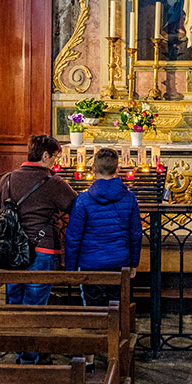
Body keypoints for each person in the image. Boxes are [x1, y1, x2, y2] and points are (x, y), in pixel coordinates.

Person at [0, 134, 77, 364]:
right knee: (35, 305)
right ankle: (30, 359)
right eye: (54, 157)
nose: (55, 162)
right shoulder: (54, 183)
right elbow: (76, 207)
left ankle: (22, 352)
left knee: (15, 303)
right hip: (42, 251)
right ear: (45, 155)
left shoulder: (7, 179)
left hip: (11, 252)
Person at [64, 147, 142, 369]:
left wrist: (71, 269)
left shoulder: (84, 200)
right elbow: (136, 234)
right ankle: (114, 358)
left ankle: (89, 359)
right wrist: (133, 263)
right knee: (116, 310)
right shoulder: (129, 198)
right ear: (117, 168)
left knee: (92, 312)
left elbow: (73, 238)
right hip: (119, 264)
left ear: (93, 169)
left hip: (91, 265)